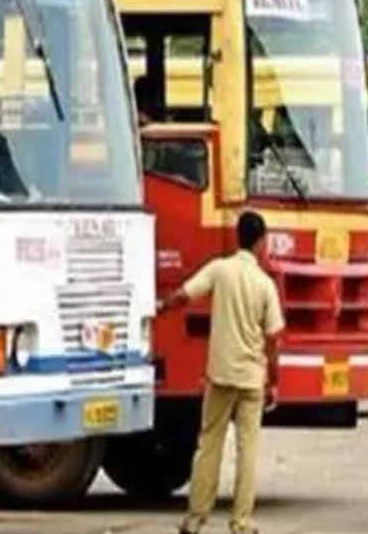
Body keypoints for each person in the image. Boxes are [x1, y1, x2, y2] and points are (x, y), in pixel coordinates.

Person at [158, 211, 284, 534]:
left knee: (209, 445)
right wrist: (274, 379)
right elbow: (273, 339)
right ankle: (241, 521)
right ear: (261, 243)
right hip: (251, 379)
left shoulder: (220, 270)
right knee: (248, 450)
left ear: (238, 238)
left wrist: (160, 306)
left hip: (220, 374)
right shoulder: (265, 284)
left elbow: (185, 294)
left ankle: (196, 518)